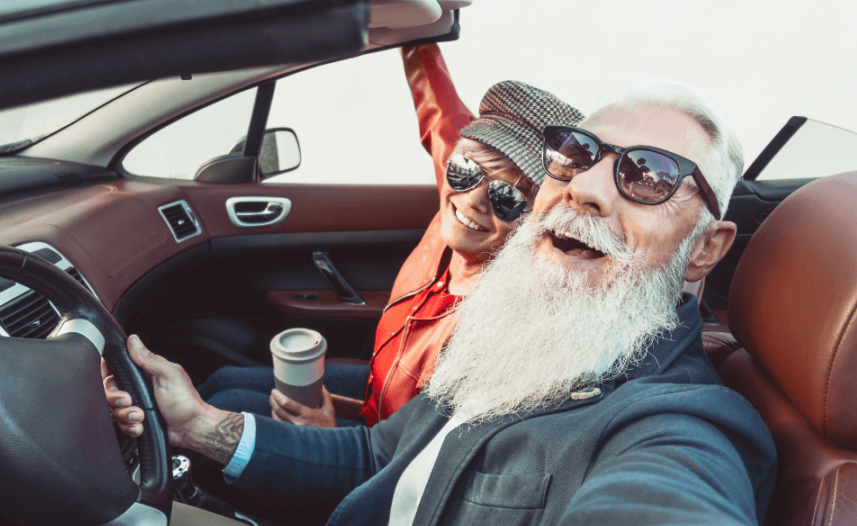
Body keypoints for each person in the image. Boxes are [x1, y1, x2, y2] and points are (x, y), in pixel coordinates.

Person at [26, 79, 831, 526]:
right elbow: (382, 454)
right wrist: (202, 426)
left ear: (705, 249)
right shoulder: (524, 336)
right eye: (575, 153)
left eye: (649, 177)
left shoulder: (680, 421)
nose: (588, 187)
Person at [196, 44, 584, 430]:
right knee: (223, 380)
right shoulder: (458, 196)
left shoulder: (502, 328)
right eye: (465, 169)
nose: (472, 200)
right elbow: (438, 108)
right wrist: (419, 34)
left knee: (226, 404)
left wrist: (327, 432)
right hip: (380, 393)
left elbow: (417, 458)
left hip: (388, 453)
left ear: (539, 221)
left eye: (508, 197)